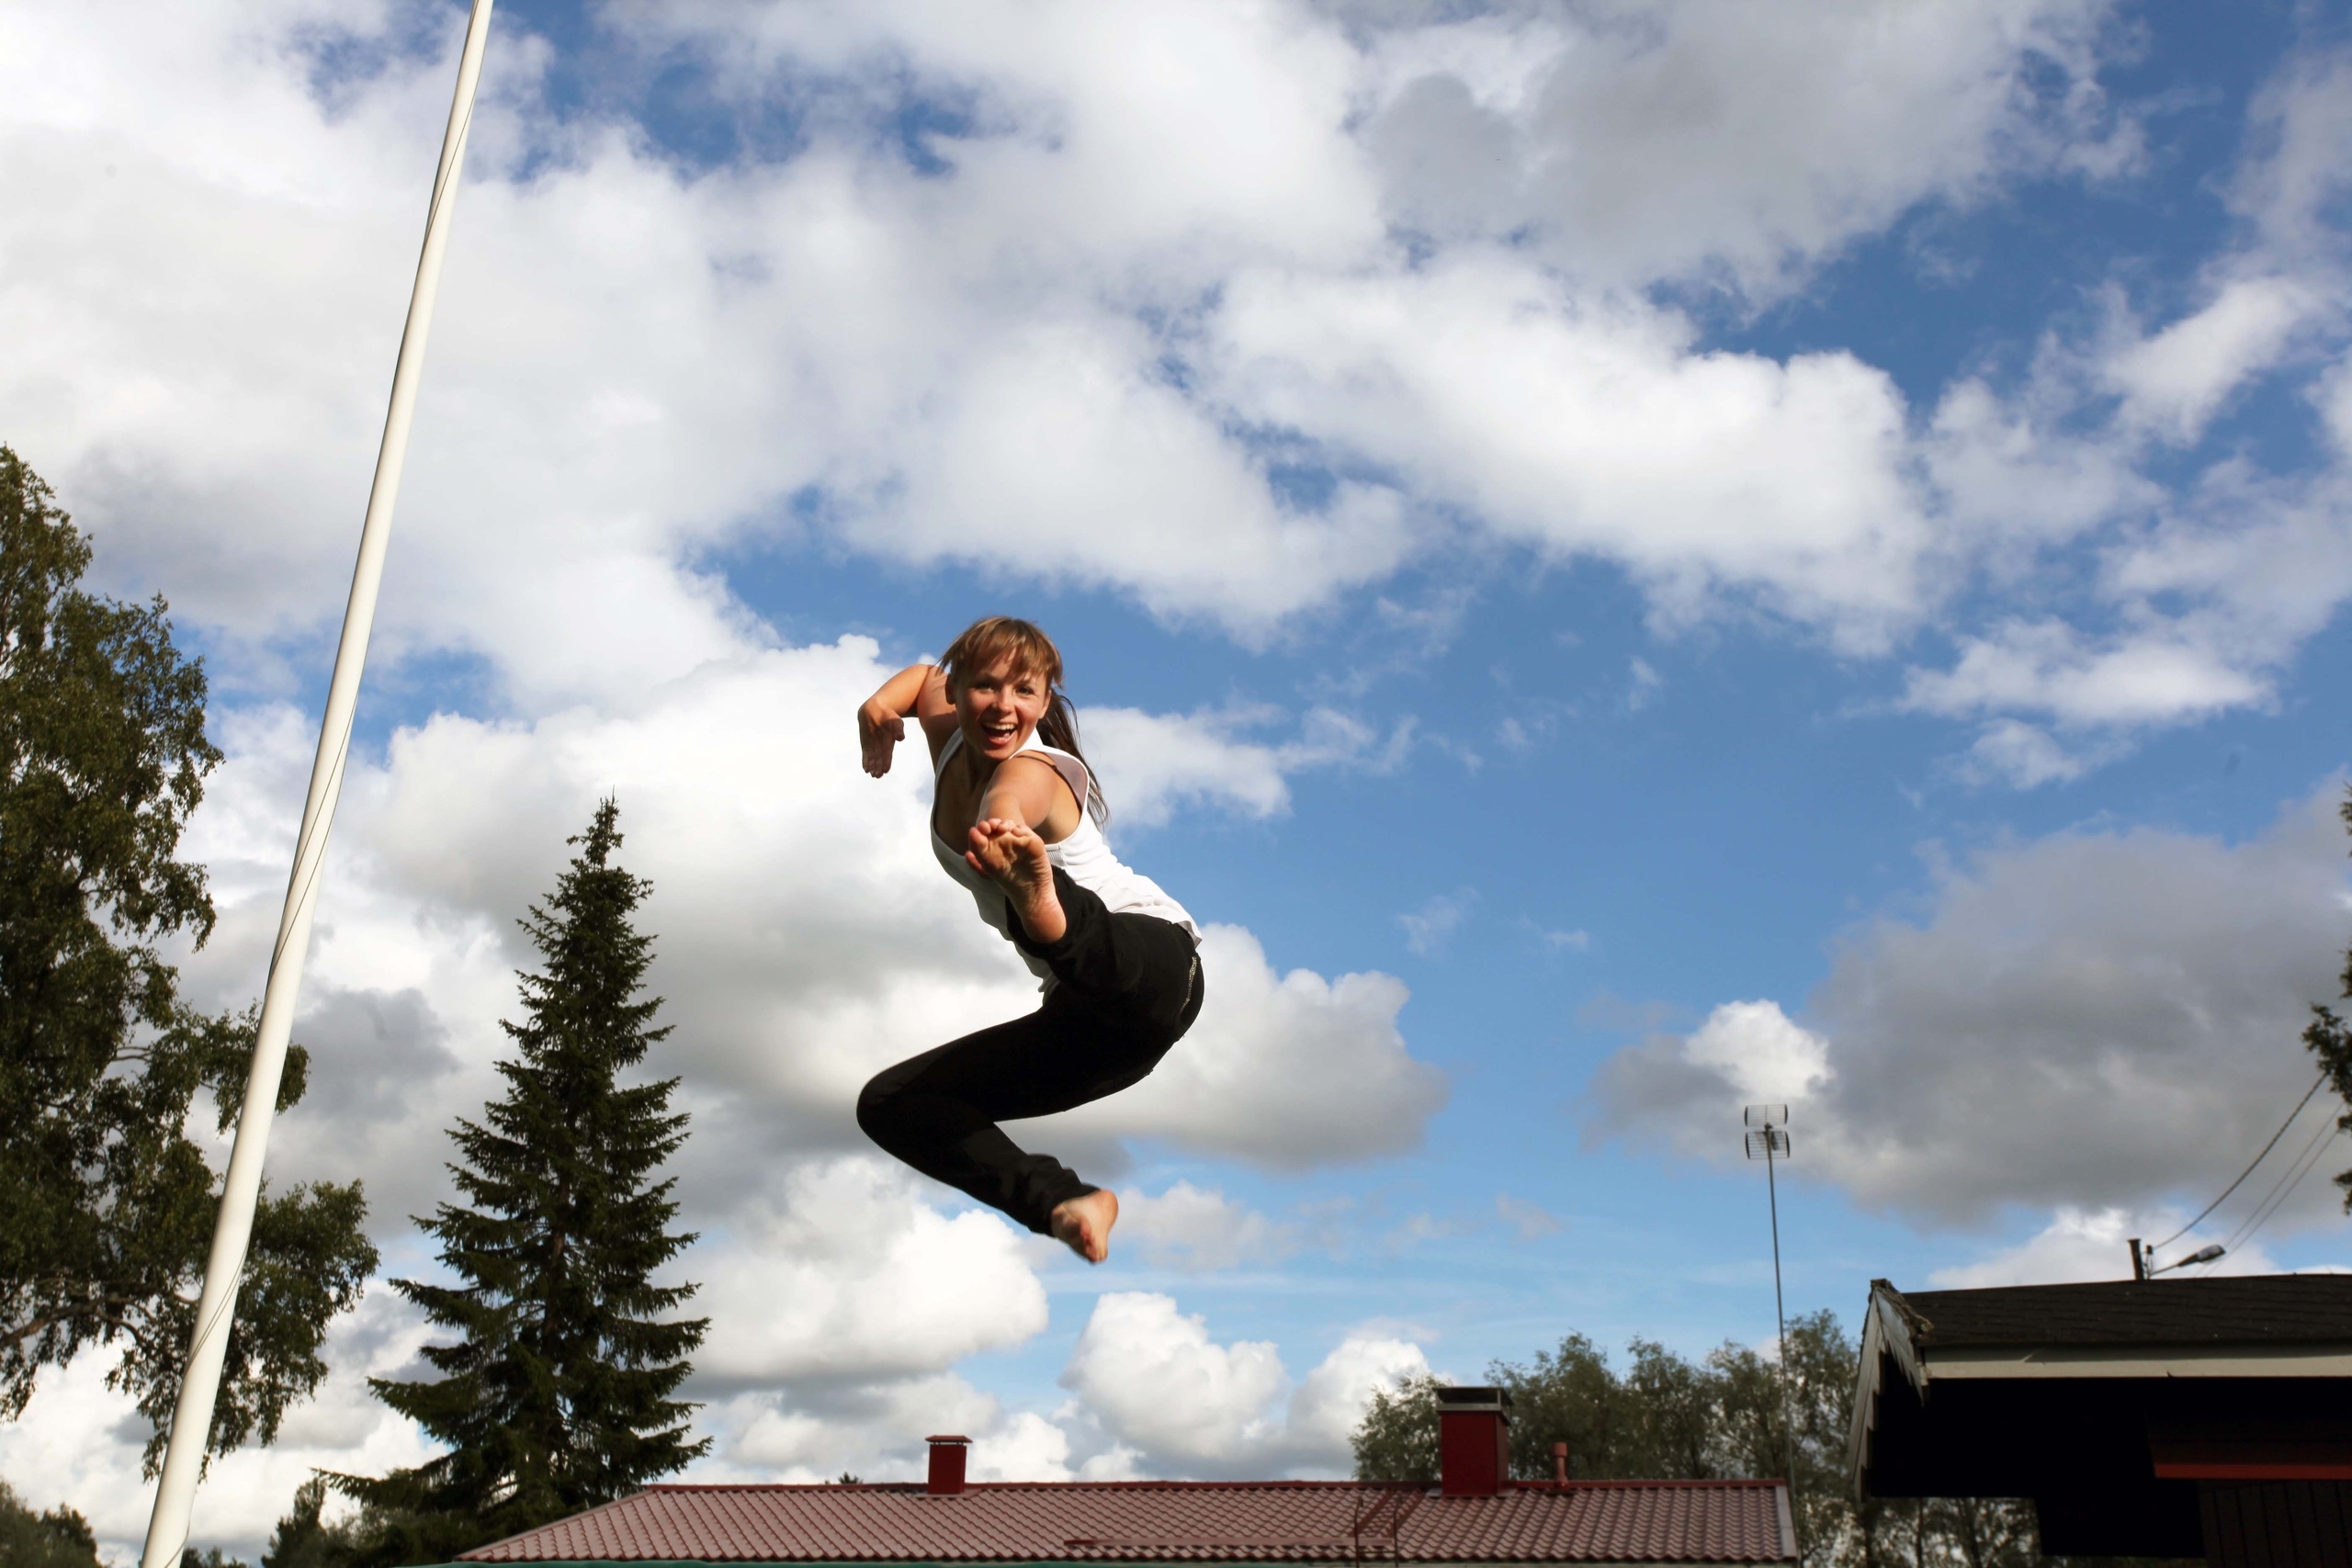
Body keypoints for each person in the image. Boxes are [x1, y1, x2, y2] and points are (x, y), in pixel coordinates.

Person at [853, 616, 1204, 1264]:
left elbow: (1016, 795)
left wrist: (1006, 826)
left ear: (1045, 702)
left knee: (1066, 922)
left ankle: (1041, 900)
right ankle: (1065, 1203)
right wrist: (878, 704)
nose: (1004, 706)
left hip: (1154, 960)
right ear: (960, 692)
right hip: (1097, 1025)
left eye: (1024, 692)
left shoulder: (1034, 767)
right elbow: (922, 678)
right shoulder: (950, 730)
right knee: (892, 1103)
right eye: (986, 687)